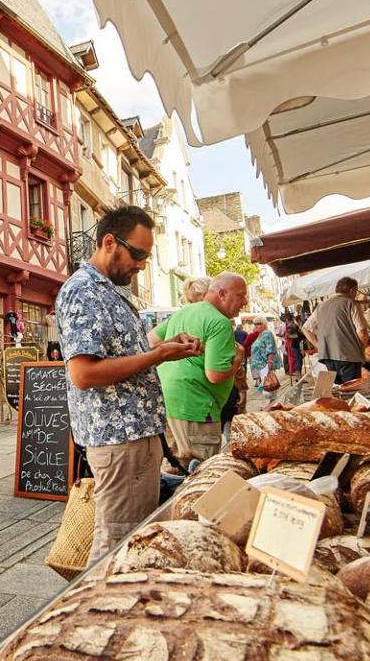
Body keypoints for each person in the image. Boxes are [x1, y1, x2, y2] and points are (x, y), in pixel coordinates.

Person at [55, 205, 202, 562]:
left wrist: (162, 346)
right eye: (138, 254)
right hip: (119, 440)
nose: (142, 265)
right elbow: (84, 374)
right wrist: (158, 356)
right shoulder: (84, 291)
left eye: (146, 257)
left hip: (132, 437)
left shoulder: (107, 290)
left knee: (130, 541)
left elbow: (117, 355)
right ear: (109, 242)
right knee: (117, 549)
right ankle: (100, 613)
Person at [148, 273, 248, 461]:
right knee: (197, 476)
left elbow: (149, 341)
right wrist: (237, 360)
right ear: (222, 294)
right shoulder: (219, 321)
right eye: (240, 295)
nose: (245, 301)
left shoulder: (182, 313)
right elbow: (215, 375)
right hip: (195, 407)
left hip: (166, 401)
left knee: (173, 469)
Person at [302, 276, 369, 385]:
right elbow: (362, 332)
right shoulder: (351, 303)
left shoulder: (321, 306)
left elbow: (306, 328)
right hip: (349, 356)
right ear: (352, 290)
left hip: (328, 357)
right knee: (350, 391)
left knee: (337, 391)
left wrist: (318, 345)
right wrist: (363, 347)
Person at [249, 317, 281, 396]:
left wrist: (270, 362)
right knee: (268, 385)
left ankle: (272, 403)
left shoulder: (267, 334)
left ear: (264, 324)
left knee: (268, 385)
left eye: (258, 324)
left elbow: (270, 348)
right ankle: (271, 403)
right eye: (255, 324)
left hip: (265, 363)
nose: (256, 326)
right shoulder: (261, 334)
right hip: (261, 364)